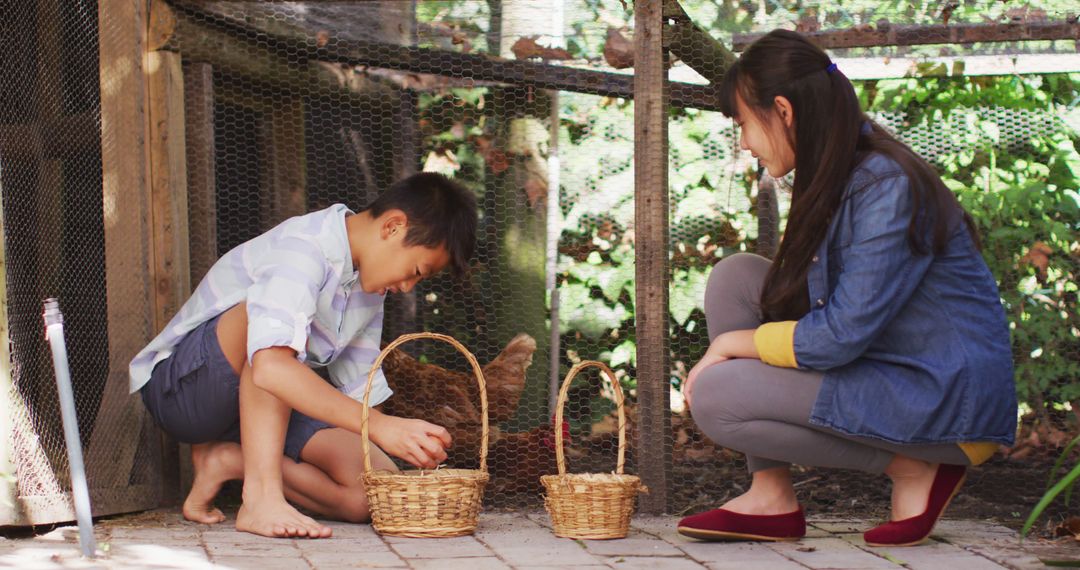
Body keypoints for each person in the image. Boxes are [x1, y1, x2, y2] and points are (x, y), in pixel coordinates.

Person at [677, 30, 1016, 547]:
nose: (742, 141)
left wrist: (727, 346)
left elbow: (839, 336)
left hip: (942, 395)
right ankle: (770, 495)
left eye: (742, 122)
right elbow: (822, 306)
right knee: (735, 278)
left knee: (717, 396)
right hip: (890, 368)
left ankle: (914, 467)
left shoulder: (886, 183)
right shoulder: (838, 170)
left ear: (784, 111)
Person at [129, 173, 478, 538]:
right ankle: (261, 500)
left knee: (371, 492)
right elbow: (269, 368)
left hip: (263, 399)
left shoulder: (371, 288)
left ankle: (230, 461)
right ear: (392, 227)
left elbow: (359, 390)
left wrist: (398, 448)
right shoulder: (305, 247)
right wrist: (380, 426)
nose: (408, 286)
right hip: (185, 392)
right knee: (269, 340)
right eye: (416, 271)